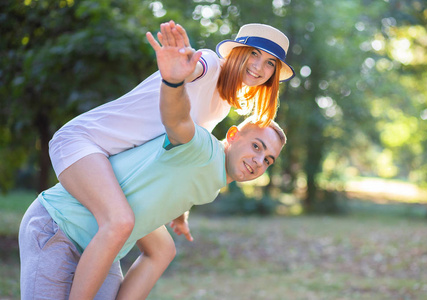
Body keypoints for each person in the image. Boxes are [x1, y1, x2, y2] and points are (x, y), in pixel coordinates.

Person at [19, 31, 287, 299]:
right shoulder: (209, 64)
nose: (259, 66)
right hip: (83, 143)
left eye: (269, 64)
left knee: (162, 248)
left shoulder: (220, 106)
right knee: (119, 221)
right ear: (237, 52)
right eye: (254, 54)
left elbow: (182, 158)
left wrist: (179, 211)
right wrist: (176, 76)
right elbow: (184, 102)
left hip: (112, 158)